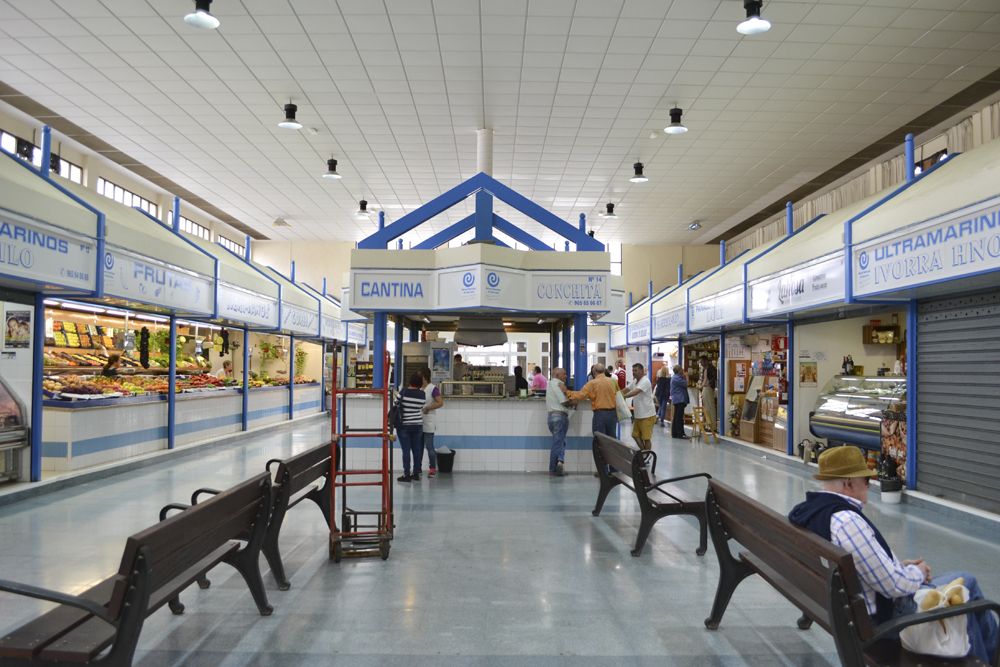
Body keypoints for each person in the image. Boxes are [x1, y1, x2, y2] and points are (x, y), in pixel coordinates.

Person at [789, 447, 998, 662]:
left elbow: (865, 566)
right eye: (865, 480)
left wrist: (898, 566)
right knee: (967, 585)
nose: (870, 485)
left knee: (959, 585)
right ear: (849, 484)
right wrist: (916, 572)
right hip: (884, 620)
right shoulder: (846, 521)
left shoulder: (811, 511)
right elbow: (893, 586)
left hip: (848, 607)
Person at [566, 363, 619, 472]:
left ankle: (603, 471)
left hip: (600, 415)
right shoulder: (613, 382)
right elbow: (619, 395)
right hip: (613, 415)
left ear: (594, 372)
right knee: (612, 443)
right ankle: (614, 470)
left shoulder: (592, 383)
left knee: (600, 443)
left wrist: (567, 392)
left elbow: (580, 396)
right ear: (604, 371)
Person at [396, 373, 426, 483]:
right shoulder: (422, 394)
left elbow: (396, 403)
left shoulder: (404, 391)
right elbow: (421, 406)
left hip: (405, 425)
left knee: (406, 450)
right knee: (417, 450)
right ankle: (416, 473)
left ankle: (406, 474)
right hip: (418, 424)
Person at [546, 368, 574, 476]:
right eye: (564, 374)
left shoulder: (549, 384)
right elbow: (564, 402)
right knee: (558, 443)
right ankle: (553, 469)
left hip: (551, 417)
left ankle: (560, 463)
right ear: (557, 375)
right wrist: (573, 402)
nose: (566, 376)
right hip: (560, 417)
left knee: (560, 441)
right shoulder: (558, 384)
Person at [622, 363, 655, 451]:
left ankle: (646, 456)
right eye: (633, 370)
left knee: (646, 438)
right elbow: (627, 389)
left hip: (647, 415)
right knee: (635, 435)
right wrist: (617, 394)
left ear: (641, 371)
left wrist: (623, 397)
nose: (634, 372)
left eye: (636, 370)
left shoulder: (645, 381)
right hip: (638, 414)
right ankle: (645, 452)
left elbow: (635, 392)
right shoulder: (635, 381)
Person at [418, 367, 442, 479]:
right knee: (418, 446)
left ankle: (432, 468)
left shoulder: (432, 388)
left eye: (420, 376)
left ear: (425, 377)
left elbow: (440, 403)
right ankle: (418, 468)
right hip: (418, 420)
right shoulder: (418, 388)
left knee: (429, 446)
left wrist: (428, 408)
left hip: (429, 421)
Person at [669, 365, 689, 439]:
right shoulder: (677, 378)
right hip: (679, 399)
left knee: (676, 416)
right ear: (678, 371)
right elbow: (687, 384)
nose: (683, 370)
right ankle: (681, 433)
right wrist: (687, 377)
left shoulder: (675, 378)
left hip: (677, 399)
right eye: (681, 369)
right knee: (679, 417)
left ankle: (675, 433)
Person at [699, 355, 718, 425]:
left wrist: (710, 383)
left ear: (706, 361)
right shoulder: (705, 369)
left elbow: (715, 377)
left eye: (702, 362)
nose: (701, 364)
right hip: (705, 388)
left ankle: (712, 425)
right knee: (706, 407)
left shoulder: (711, 368)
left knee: (710, 407)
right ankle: (708, 424)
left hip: (708, 388)